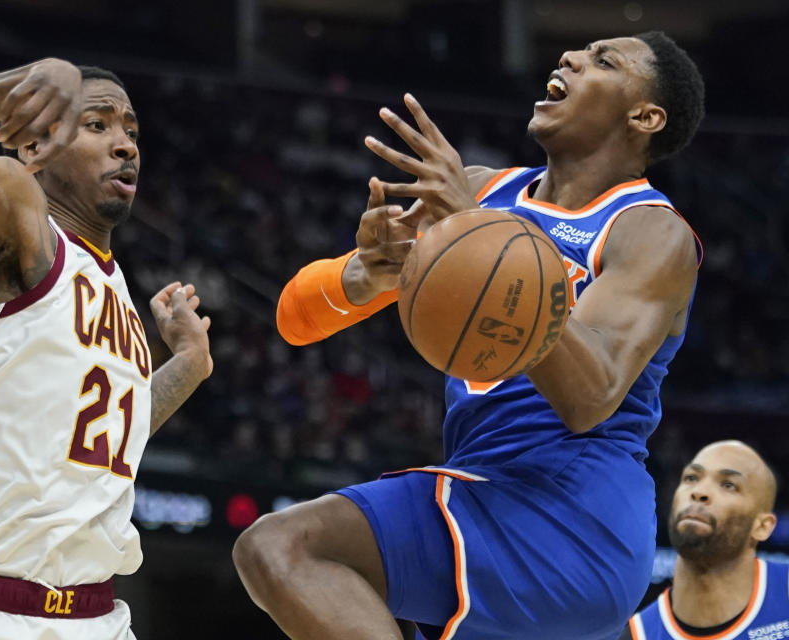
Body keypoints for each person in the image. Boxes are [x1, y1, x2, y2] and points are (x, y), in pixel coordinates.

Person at [233, 31, 705, 640]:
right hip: (483, 485)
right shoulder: (483, 192)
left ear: (645, 116)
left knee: (284, 546)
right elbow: (294, 322)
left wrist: (479, 232)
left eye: (603, 61)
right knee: (276, 553)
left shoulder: (647, 231)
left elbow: (591, 398)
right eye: (577, 52)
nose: (569, 58)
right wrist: (364, 275)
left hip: (574, 514)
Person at [0, 59, 212, 639]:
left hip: (95, 617)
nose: (125, 145)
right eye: (97, 124)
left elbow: (100, 445)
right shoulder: (19, 223)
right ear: (35, 147)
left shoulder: (115, 288)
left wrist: (189, 368)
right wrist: (17, 85)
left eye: (130, 130)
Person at [623, 441, 785, 640]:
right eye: (691, 478)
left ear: (762, 526)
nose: (699, 492)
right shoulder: (637, 634)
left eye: (728, 485)